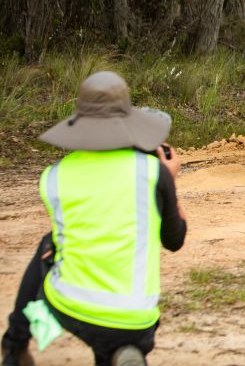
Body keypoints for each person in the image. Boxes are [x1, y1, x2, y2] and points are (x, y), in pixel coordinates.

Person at [2, 71, 187, 366]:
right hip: (136, 316)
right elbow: (174, 241)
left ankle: (14, 346)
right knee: (118, 335)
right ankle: (123, 350)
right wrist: (169, 181)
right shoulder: (153, 173)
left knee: (49, 244)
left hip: (71, 305)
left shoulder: (53, 177)